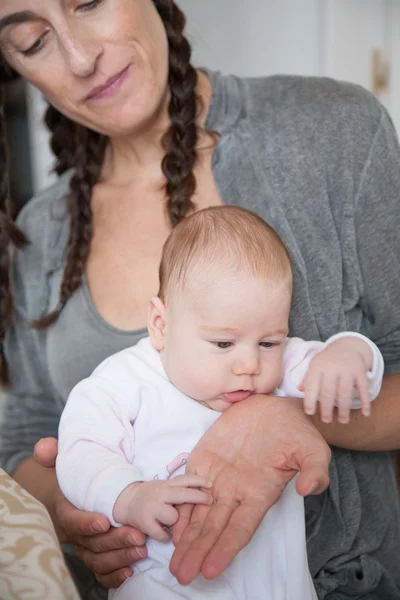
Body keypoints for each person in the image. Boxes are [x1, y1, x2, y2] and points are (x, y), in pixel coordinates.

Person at [0, 1, 398, 599]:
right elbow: (21, 437)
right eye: (33, 41)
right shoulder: (41, 233)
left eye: (88, 1)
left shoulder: (332, 130)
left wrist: (285, 416)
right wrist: (79, 508)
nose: (82, 59)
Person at [56, 206, 384, 600]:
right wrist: (127, 495)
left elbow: (346, 388)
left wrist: (350, 352)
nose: (248, 364)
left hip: (278, 587)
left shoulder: (278, 370)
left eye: (268, 342)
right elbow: (81, 451)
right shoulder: (124, 381)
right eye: (223, 344)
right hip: (164, 582)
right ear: (161, 325)